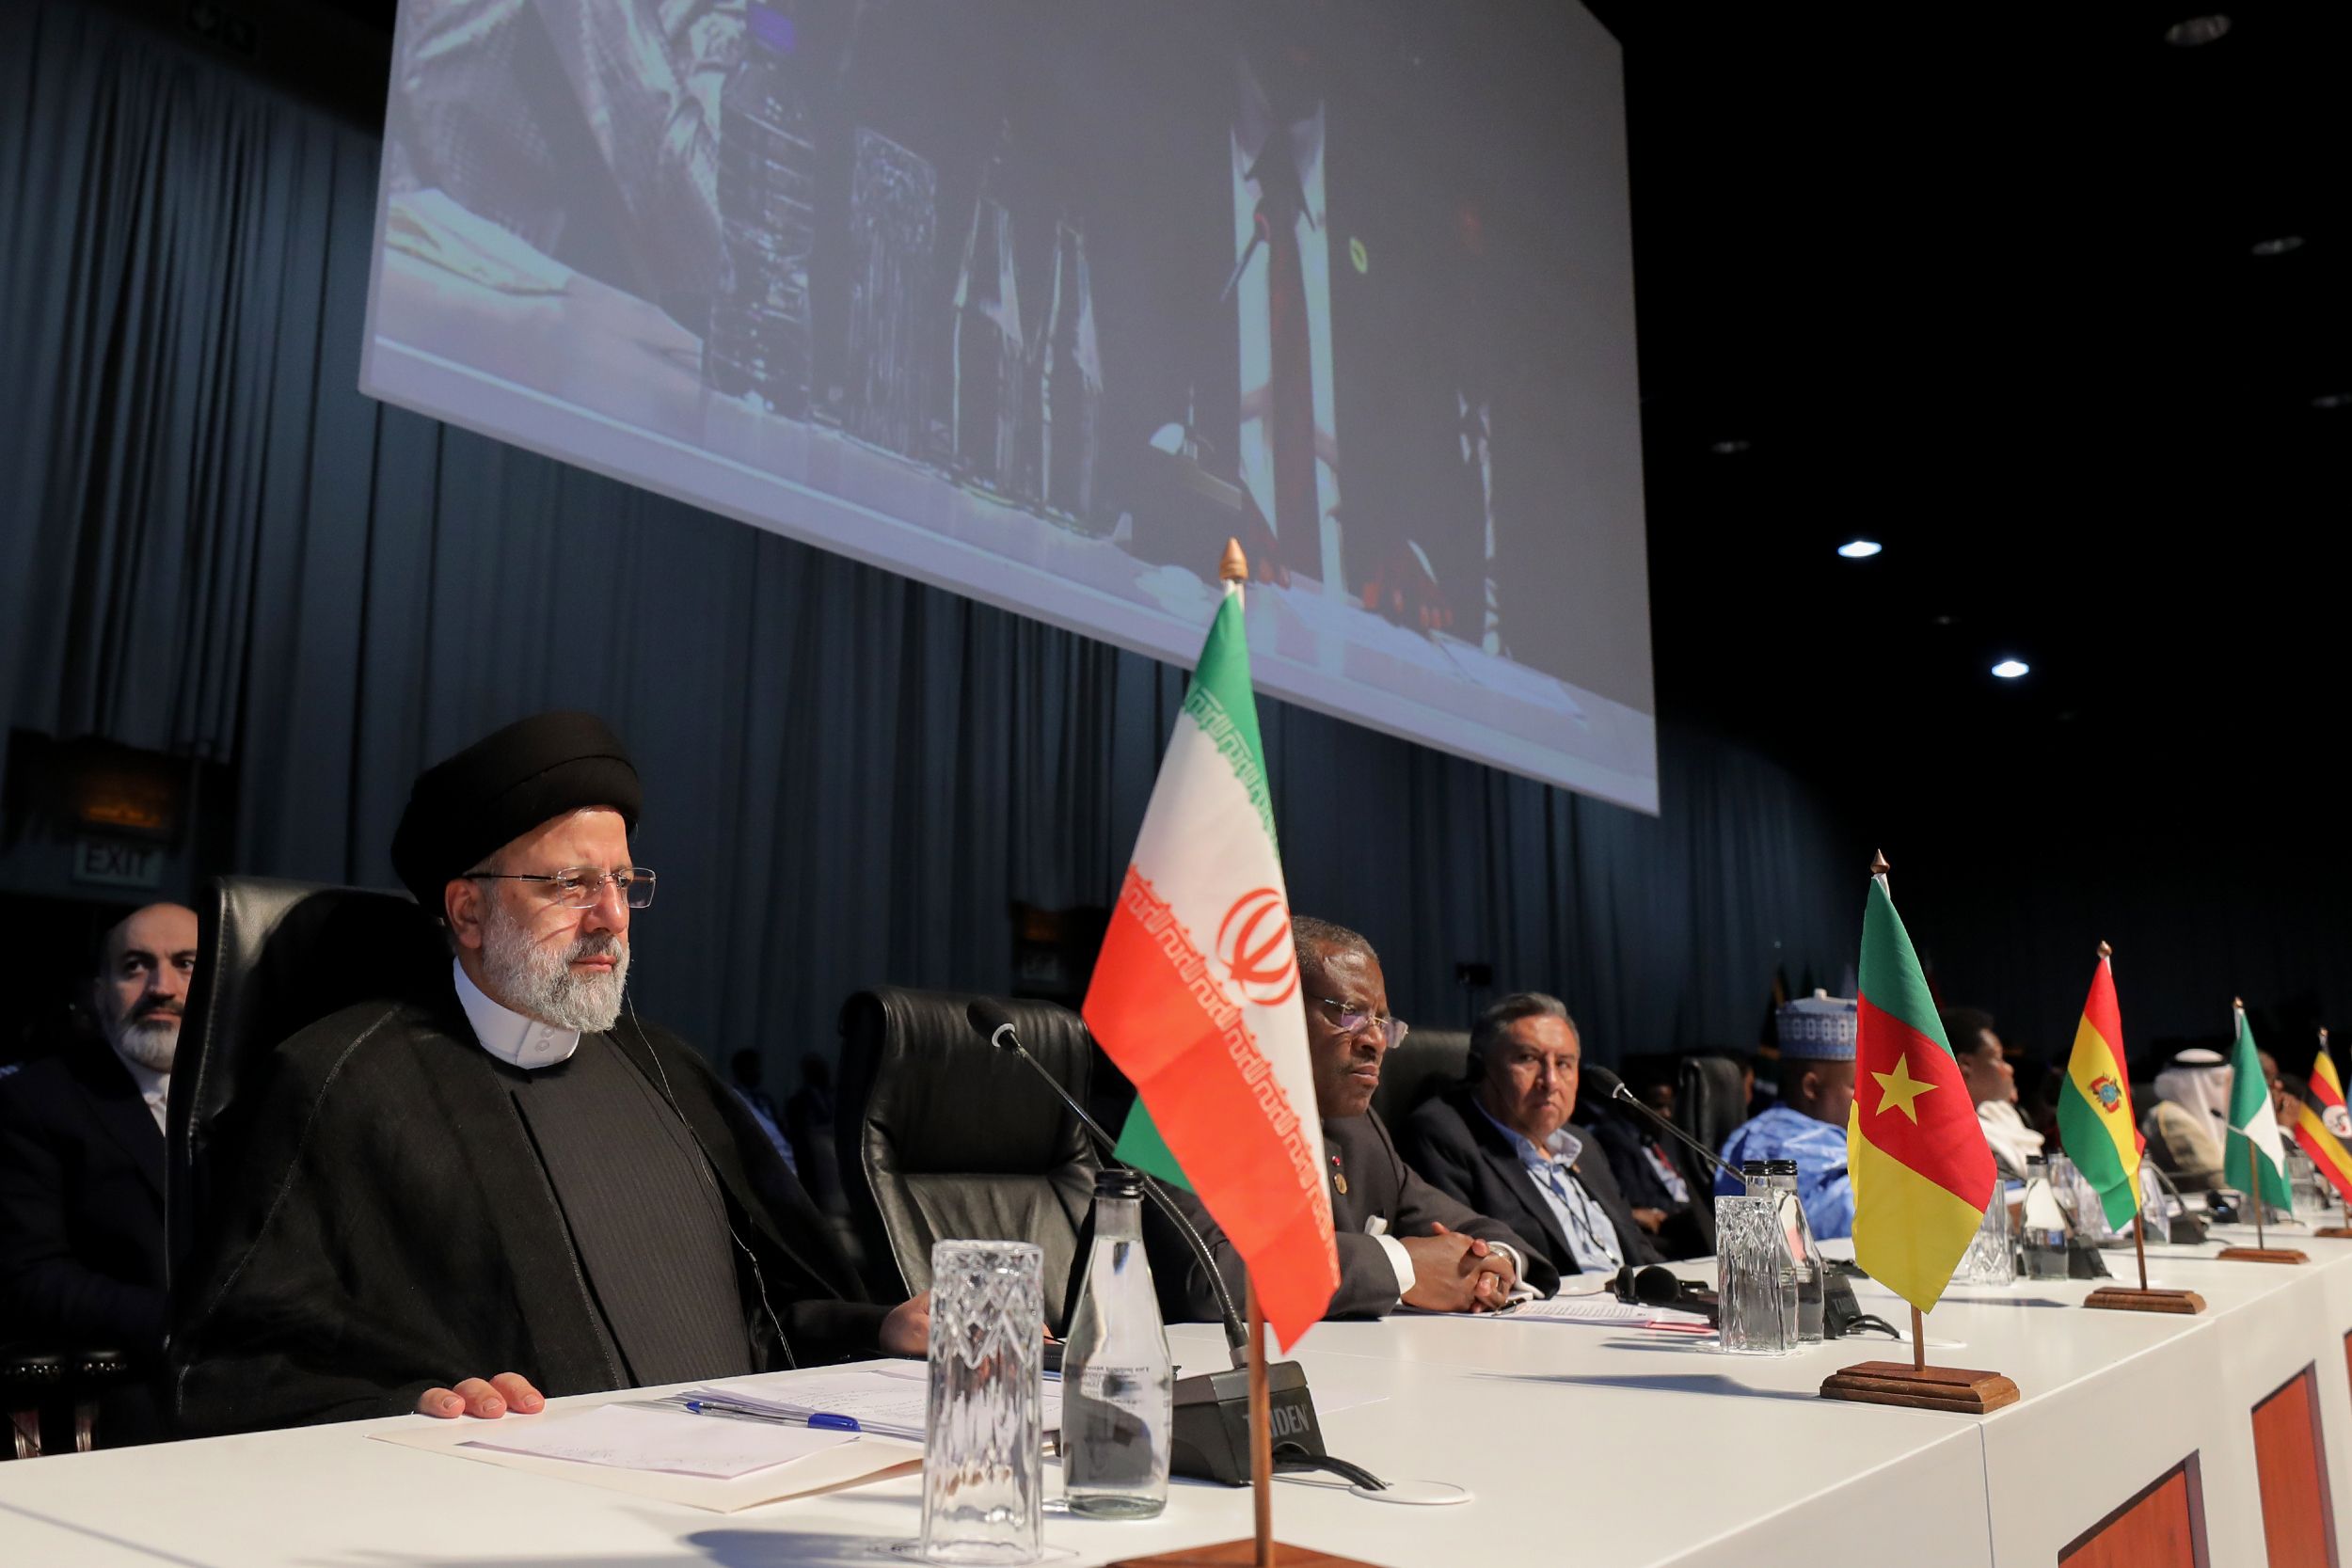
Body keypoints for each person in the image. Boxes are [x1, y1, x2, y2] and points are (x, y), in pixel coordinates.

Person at [170, 713, 925, 1434]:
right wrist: (410, 1404)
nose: (612, 916)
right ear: (468, 912)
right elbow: (234, 1367)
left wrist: (877, 1326)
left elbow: (758, 1322)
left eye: (623, 883)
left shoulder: (667, 1071)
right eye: (570, 884)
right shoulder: (338, 1084)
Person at [1150, 919, 1555, 1323]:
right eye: (1349, 1013)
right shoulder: (1177, 1117)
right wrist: (1400, 1266)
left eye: (1382, 1022)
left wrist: (1490, 1265)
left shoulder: (1358, 1131)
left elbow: (1474, 1226)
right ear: (1275, 1010)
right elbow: (1207, 1278)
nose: (1374, 1041)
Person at [0, 903, 198, 1444]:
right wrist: (186, 1322)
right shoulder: (36, 1101)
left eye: (187, 964)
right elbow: (29, 1276)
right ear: (98, 991)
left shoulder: (267, 1095)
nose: (162, 986)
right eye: (135, 966)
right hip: (121, 1403)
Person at [1399, 993, 1658, 1280]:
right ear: (1480, 1069)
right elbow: (1466, 1257)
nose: (1550, 1081)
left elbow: (1637, 1248)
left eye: (1563, 1063)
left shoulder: (1583, 1145)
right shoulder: (1445, 1135)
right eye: (1528, 1059)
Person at [1717, 991, 1857, 1240]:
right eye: (1856, 1086)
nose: (1868, 1098)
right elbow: (1814, 1226)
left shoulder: (1837, 1135)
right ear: (1811, 1087)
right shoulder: (1770, 1145)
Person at [1589, 1069, 1711, 1259]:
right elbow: (1635, 1197)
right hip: (1664, 1220)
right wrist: (1681, 1210)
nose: (1667, 1114)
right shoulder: (1614, 1138)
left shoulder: (1653, 1139)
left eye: (1670, 1106)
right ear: (1632, 1105)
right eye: (1659, 1106)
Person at [1947, 1007, 2042, 1181]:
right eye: (1998, 1058)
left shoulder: (2003, 1118)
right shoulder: (1955, 1144)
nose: (2009, 1068)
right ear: (1966, 1065)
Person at [2144, 1048, 2229, 1192]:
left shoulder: (2213, 1116)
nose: (2227, 1090)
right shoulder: (2171, 1117)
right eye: (2219, 1082)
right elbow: (2215, 1179)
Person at [727, 1049, 798, 1176]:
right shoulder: (733, 1097)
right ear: (739, 1070)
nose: (756, 1072)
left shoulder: (764, 1099)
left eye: (757, 1068)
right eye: (751, 1068)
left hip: (782, 1156)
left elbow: (779, 1129)